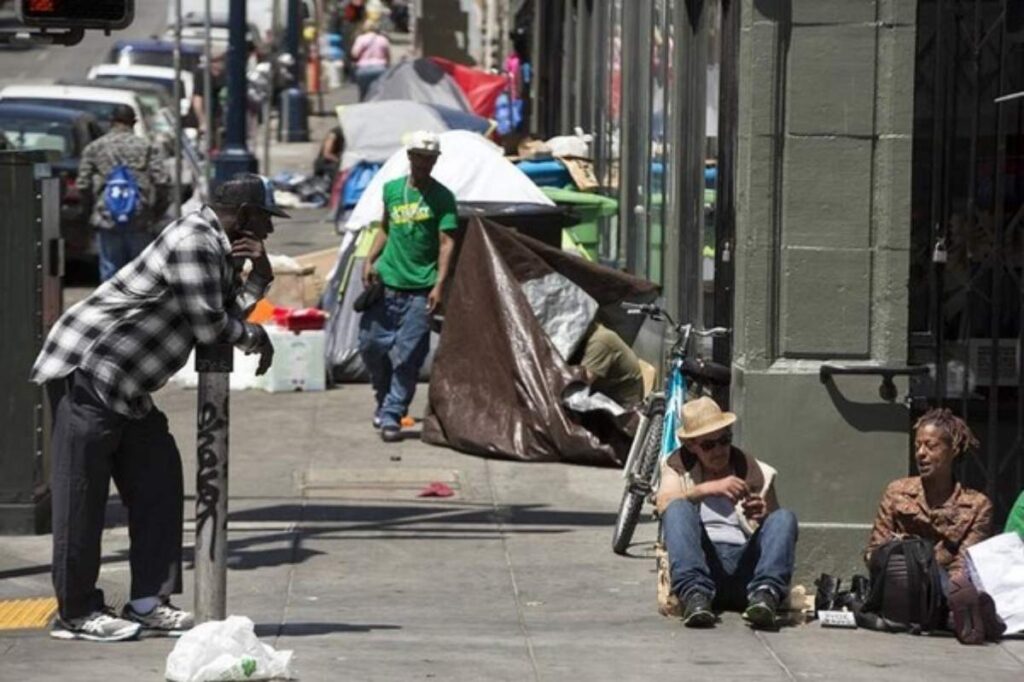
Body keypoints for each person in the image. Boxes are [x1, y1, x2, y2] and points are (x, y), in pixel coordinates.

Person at [30, 174, 286, 642]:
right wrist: (255, 338)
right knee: (82, 498)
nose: (267, 232)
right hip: (90, 370)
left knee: (160, 483)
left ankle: (148, 600)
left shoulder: (216, 248)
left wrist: (261, 274)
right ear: (245, 215)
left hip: (129, 387)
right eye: (265, 221)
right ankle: (76, 612)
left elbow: (227, 311)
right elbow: (211, 326)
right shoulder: (194, 240)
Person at [655, 397, 798, 629]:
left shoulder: (755, 471)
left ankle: (766, 595)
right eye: (709, 445)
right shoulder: (677, 466)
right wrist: (707, 489)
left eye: (724, 441)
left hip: (746, 568)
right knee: (678, 508)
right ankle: (695, 597)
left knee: (784, 518)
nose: (719, 451)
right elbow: (664, 503)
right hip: (703, 563)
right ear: (692, 445)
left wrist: (762, 515)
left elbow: (776, 530)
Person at [360, 131, 456, 443]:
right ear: (410, 157)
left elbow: (446, 243)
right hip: (387, 283)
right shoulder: (391, 190)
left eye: (430, 158)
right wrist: (369, 259)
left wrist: (439, 286)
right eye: (419, 157)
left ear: (435, 161)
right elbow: (385, 228)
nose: (424, 163)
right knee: (371, 346)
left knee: (409, 356)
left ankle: (392, 413)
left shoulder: (443, 198)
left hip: (420, 288)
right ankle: (384, 397)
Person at [865, 408, 993, 583]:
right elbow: (875, 552)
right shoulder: (897, 492)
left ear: (953, 450)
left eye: (931, 446)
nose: (921, 453)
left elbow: (964, 568)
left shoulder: (977, 506)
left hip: (946, 597)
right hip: (897, 588)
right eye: (917, 446)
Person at [76, 104, 169, 282]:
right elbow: (163, 181)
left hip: (107, 216)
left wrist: (89, 210)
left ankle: (111, 307)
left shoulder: (95, 147)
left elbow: (83, 184)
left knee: (110, 270)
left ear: (111, 122)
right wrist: (157, 211)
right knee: (141, 273)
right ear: (133, 122)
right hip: (139, 217)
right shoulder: (146, 146)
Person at [575, 321, 644, 408]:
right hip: (607, 394)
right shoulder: (593, 334)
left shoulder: (599, 341)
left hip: (621, 404)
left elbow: (581, 382)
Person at [191, 52, 227, 146]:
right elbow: (197, 99)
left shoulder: (224, 75)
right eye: (218, 61)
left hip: (218, 118)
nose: (221, 64)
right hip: (206, 117)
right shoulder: (202, 75)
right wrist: (202, 122)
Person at [350, 20, 391, 101]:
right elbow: (388, 56)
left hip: (363, 69)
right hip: (380, 69)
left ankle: (364, 109)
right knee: (379, 94)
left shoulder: (361, 39)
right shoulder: (383, 39)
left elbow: (354, 54)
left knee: (364, 94)